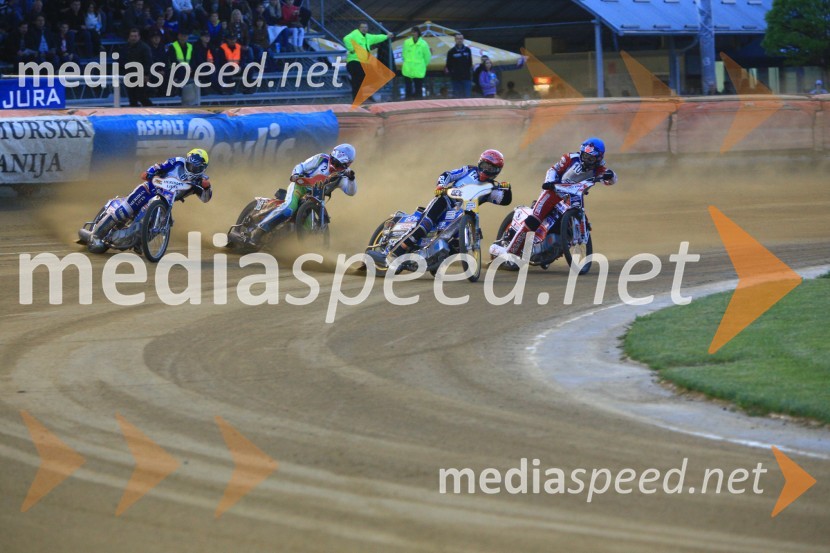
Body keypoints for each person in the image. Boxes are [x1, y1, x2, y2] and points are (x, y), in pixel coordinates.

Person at [378, 149, 512, 267]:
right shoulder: (468, 170)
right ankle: (395, 253)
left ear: (497, 171)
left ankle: (436, 258)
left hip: (465, 212)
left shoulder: (491, 188)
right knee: (426, 223)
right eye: (485, 165)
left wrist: (507, 189)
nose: (486, 170)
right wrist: (441, 186)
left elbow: (504, 200)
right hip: (445, 200)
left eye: (491, 168)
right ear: (480, 163)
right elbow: (447, 174)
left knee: (457, 243)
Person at [490, 137, 616, 258]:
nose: (586, 159)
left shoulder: (599, 168)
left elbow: (610, 180)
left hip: (573, 196)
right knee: (535, 219)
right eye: (585, 155)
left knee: (574, 218)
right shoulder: (569, 158)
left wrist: (610, 176)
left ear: (599, 158)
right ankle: (511, 251)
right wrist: (550, 181)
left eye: (590, 158)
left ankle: (558, 242)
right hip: (554, 192)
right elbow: (553, 170)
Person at [88, 149, 212, 250]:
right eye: (191, 165)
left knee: (165, 222)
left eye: (196, 168)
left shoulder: (202, 180)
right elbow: (160, 166)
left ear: (203, 168)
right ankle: (96, 236)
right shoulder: (177, 162)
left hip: (165, 202)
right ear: (187, 161)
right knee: (125, 210)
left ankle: (141, 241)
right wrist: (149, 172)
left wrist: (207, 188)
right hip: (150, 189)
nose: (192, 169)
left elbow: (205, 199)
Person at [246, 144, 358, 247]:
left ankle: (284, 244)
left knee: (308, 228)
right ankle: (259, 230)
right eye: (333, 160)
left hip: (315, 199)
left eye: (338, 165)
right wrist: (296, 175)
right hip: (299, 187)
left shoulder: (345, 175)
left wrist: (352, 179)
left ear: (347, 165)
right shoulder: (321, 159)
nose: (334, 165)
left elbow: (351, 192)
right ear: (331, 156)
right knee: (289, 209)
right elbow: (301, 166)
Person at [343, 22, 393, 101]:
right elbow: (346, 38)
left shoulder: (368, 37)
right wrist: (352, 49)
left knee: (360, 80)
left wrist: (387, 36)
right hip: (354, 61)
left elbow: (377, 38)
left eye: (365, 27)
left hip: (363, 62)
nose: (364, 29)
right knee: (358, 80)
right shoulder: (355, 34)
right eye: (362, 27)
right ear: (359, 28)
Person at [122, 27, 154, 106]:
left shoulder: (144, 48)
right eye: (132, 36)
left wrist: (146, 74)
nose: (133, 38)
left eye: (135, 36)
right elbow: (122, 60)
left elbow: (148, 62)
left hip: (141, 76)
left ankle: (153, 111)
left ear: (139, 37)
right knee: (132, 99)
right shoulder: (125, 47)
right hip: (129, 76)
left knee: (142, 97)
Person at [401, 26, 430, 100]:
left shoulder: (423, 44)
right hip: (408, 69)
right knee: (408, 88)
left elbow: (427, 57)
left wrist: (422, 65)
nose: (413, 33)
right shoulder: (406, 42)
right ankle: (407, 103)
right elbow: (403, 54)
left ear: (418, 33)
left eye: (415, 32)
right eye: (412, 32)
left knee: (418, 89)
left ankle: (418, 104)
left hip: (418, 70)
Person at [444, 33, 472, 99]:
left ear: (463, 39)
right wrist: (453, 73)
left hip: (466, 78)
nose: (459, 40)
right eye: (458, 39)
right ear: (455, 40)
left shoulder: (468, 50)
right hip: (456, 78)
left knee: (467, 96)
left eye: (461, 39)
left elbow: (470, 63)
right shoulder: (451, 51)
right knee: (457, 97)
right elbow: (448, 65)